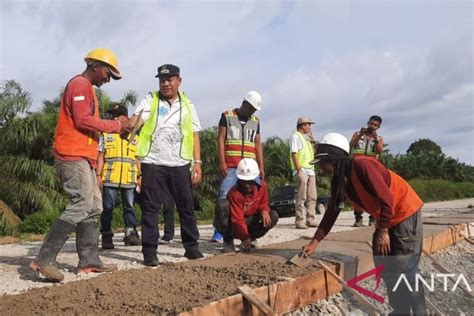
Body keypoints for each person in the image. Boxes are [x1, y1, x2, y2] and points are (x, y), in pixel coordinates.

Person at [30, 48, 129, 282]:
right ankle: (44, 259)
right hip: (71, 154)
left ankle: (89, 260)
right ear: (95, 65)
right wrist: (117, 126)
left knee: (94, 205)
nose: (108, 79)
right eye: (108, 73)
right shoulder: (79, 85)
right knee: (82, 202)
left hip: (84, 156)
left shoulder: (89, 90)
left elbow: (88, 124)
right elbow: (82, 120)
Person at [302, 133, 426, 314]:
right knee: (385, 265)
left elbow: (387, 199)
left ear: (333, 159)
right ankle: (401, 311)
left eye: (322, 162)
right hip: (386, 219)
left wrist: (383, 230)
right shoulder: (340, 179)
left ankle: (420, 312)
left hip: (404, 213)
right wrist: (315, 242)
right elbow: (332, 212)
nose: (321, 167)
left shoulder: (363, 166)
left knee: (405, 267)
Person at [132, 64, 203, 266]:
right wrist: (130, 124)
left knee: (186, 206)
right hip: (153, 162)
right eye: (162, 80)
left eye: (170, 79)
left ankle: (191, 248)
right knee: (151, 208)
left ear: (179, 80)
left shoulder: (188, 105)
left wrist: (197, 162)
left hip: (180, 163)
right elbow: (137, 121)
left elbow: (195, 134)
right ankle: (150, 252)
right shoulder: (150, 99)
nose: (165, 83)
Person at [212, 91, 264, 242]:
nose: (253, 111)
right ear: (245, 103)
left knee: (253, 198)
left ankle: (248, 233)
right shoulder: (227, 116)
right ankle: (220, 231)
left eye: (255, 109)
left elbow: (258, 144)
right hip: (231, 165)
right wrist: (222, 162)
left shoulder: (255, 121)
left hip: (250, 168)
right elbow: (221, 140)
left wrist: (261, 166)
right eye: (252, 108)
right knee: (224, 197)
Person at [97, 103, 141, 249]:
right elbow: (101, 156)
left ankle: (130, 233)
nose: (115, 118)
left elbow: (137, 158)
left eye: (118, 115)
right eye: (112, 115)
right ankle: (106, 236)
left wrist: (140, 176)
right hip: (110, 176)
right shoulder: (106, 134)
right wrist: (98, 175)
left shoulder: (135, 136)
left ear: (127, 118)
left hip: (129, 177)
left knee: (129, 206)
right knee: (108, 207)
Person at [215, 158, 278, 253]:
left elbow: (263, 203)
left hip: (250, 221)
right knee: (222, 205)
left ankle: (251, 239)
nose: (247, 185)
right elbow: (237, 219)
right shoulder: (235, 193)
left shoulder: (262, 186)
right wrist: (244, 236)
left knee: (273, 215)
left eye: (250, 181)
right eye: (244, 181)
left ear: (256, 178)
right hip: (233, 224)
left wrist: (264, 210)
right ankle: (228, 242)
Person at [349, 115, 384, 227]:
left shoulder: (379, 138)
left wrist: (375, 138)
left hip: (372, 169)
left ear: (378, 127)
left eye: (375, 125)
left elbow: (380, 151)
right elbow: (351, 145)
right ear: (367, 123)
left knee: (373, 193)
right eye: (371, 124)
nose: (372, 126)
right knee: (357, 193)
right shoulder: (357, 134)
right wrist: (360, 135)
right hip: (357, 168)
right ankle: (358, 218)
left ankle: (373, 217)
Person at [290, 116, 318, 229]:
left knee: (312, 196)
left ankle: (310, 219)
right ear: (303, 125)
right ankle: (299, 220)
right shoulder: (295, 136)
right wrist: (299, 170)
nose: (310, 127)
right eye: (309, 125)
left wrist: (312, 140)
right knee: (301, 196)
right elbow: (294, 154)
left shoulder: (306, 138)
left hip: (311, 170)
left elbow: (314, 153)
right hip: (302, 171)